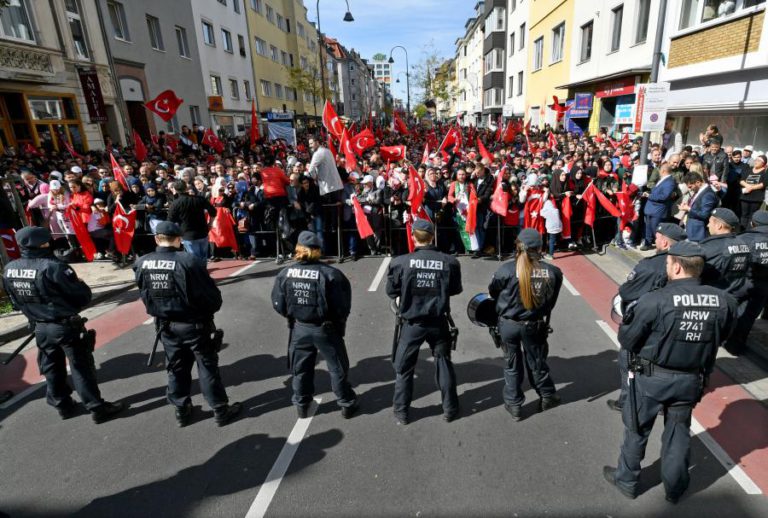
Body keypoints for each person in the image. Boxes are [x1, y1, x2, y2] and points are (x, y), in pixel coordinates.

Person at [603, 241, 738, 503]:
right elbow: (723, 335)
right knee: (678, 430)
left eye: (667, 264)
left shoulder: (654, 300)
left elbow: (628, 339)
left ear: (676, 266)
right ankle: (675, 488)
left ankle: (627, 480)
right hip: (691, 379)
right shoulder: (725, 301)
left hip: (651, 377)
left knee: (637, 429)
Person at [2, 226, 125, 423]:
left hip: (39, 326)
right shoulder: (53, 266)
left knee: (51, 367)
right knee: (80, 367)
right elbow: (82, 297)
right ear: (43, 243)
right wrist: (81, 284)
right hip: (63, 325)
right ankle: (97, 408)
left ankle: (63, 405)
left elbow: (15, 302)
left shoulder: (10, 269)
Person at [134, 221, 241, 427]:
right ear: (179, 240)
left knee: (176, 368)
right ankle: (220, 409)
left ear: (157, 238)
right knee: (206, 367)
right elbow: (212, 298)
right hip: (193, 324)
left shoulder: (142, 262)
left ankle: (181, 410)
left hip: (165, 326)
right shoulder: (189, 261)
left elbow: (145, 294)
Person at [271, 231, 358, 418]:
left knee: (300, 369)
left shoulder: (285, 273)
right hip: (326, 329)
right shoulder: (331, 274)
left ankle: (302, 405)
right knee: (337, 367)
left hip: (299, 327)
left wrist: (294, 315)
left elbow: (278, 303)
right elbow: (342, 306)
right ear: (317, 250)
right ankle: (346, 403)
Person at [386, 219, 462, 424]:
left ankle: (401, 412)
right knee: (444, 363)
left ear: (413, 237)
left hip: (412, 324)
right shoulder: (450, 261)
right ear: (432, 237)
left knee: (404, 368)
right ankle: (450, 408)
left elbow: (391, 291)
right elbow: (454, 289)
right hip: (438, 322)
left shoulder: (400, 262)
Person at [607, 223, 687, 412]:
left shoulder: (649, 265)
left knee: (629, 365)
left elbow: (627, 291)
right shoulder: (691, 264)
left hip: (646, 324)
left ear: (665, 242)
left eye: (658, 237)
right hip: (676, 325)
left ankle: (626, 402)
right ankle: (661, 404)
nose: (655, 240)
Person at [488, 228, 563, 421]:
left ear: (518, 246)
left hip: (508, 325)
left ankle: (514, 405)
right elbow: (550, 303)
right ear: (540, 247)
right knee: (537, 363)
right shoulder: (553, 272)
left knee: (512, 365)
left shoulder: (505, 270)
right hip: (534, 325)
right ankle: (547, 396)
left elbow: (493, 293)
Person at [725, 210, 768, 355]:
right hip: (764, 285)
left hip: (741, 282)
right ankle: (736, 345)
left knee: (733, 311)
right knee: (750, 315)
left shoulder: (743, 238)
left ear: (752, 223)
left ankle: (726, 338)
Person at [699, 208, 751, 301]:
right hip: (734, 296)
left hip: (713, 297)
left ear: (719, 226)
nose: (707, 225)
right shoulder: (743, 243)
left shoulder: (712, 246)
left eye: (710, 222)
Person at [167, 180, 217, 262]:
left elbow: (170, 220)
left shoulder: (175, 203)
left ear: (175, 189)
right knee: (203, 257)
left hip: (187, 234)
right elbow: (213, 212)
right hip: (202, 231)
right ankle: (202, 272)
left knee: (194, 258)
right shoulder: (199, 199)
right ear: (186, 188)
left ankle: (198, 273)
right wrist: (210, 224)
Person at [641, 164, 677, 250]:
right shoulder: (663, 180)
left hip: (658, 210)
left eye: (660, 170)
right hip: (651, 209)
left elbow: (664, 196)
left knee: (656, 229)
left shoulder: (670, 182)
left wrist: (649, 196)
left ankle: (662, 246)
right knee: (648, 227)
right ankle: (648, 243)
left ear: (663, 171)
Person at [678, 171, 719, 242]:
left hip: (699, 233)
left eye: (690, 186)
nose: (690, 189)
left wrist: (689, 209)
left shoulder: (708, 194)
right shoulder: (699, 191)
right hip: (692, 231)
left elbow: (704, 215)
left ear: (698, 182)